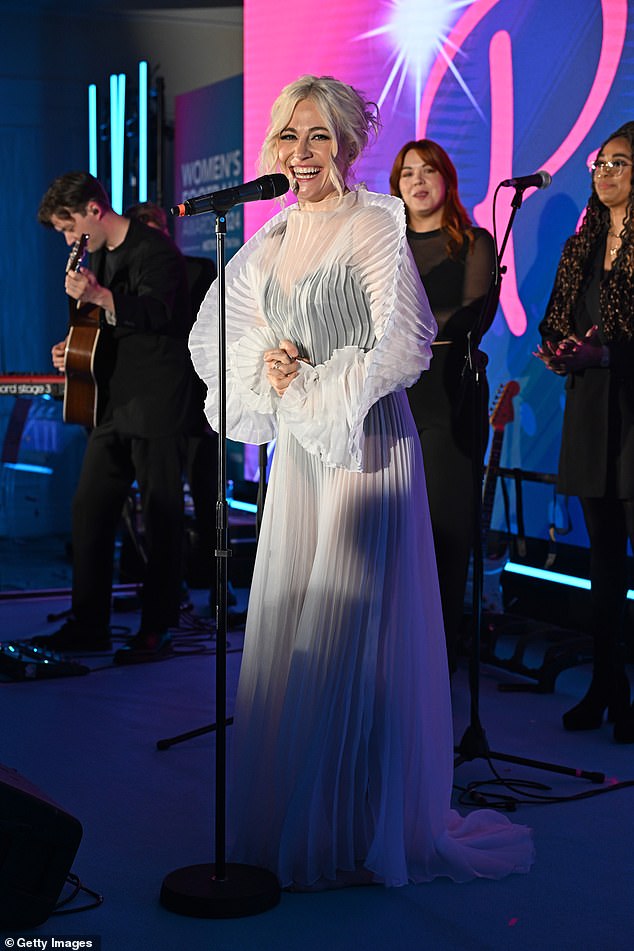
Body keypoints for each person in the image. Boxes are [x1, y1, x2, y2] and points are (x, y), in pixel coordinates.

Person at [189, 74, 533, 889]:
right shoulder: (266, 242)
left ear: (345, 143)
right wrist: (271, 369)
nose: (300, 153)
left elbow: (405, 346)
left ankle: (354, 823)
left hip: (369, 448)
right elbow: (222, 335)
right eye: (288, 137)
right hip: (305, 457)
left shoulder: (376, 224)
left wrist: (316, 379)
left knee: (355, 638)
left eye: (317, 137)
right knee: (298, 628)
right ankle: (302, 816)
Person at [33, 172, 199, 663]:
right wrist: (73, 349)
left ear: (93, 210)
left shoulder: (155, 251)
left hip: (157, 400)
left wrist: (101, 296)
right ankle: (90, 624)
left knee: (162, 516)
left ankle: (158, 627)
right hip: (112, 403)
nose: (68, 240)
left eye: (70, 228)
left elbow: (158, 314)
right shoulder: (94, 256)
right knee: (90, 509)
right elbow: (96, 326)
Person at [536, 121, 634, 743]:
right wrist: (561, 348)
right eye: (599, 163)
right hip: (591, 409)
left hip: (631, 406)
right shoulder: (580, 248)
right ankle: (606, 686)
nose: (603, 172)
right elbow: (552, 321)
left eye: (619, 163)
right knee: (603, 564)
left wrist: (606, 355)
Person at [389, 140, 496, 672]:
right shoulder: (385, 247)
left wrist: (411, 325)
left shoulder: (473, 243)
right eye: (407, 173)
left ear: (447, 179)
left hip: (451, 394)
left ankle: (442, 657)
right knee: (391, 529)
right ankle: (397, 651)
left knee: (448, 533)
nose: (417, 181)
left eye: (428, 170)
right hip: (391, 396)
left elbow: (473, 316)